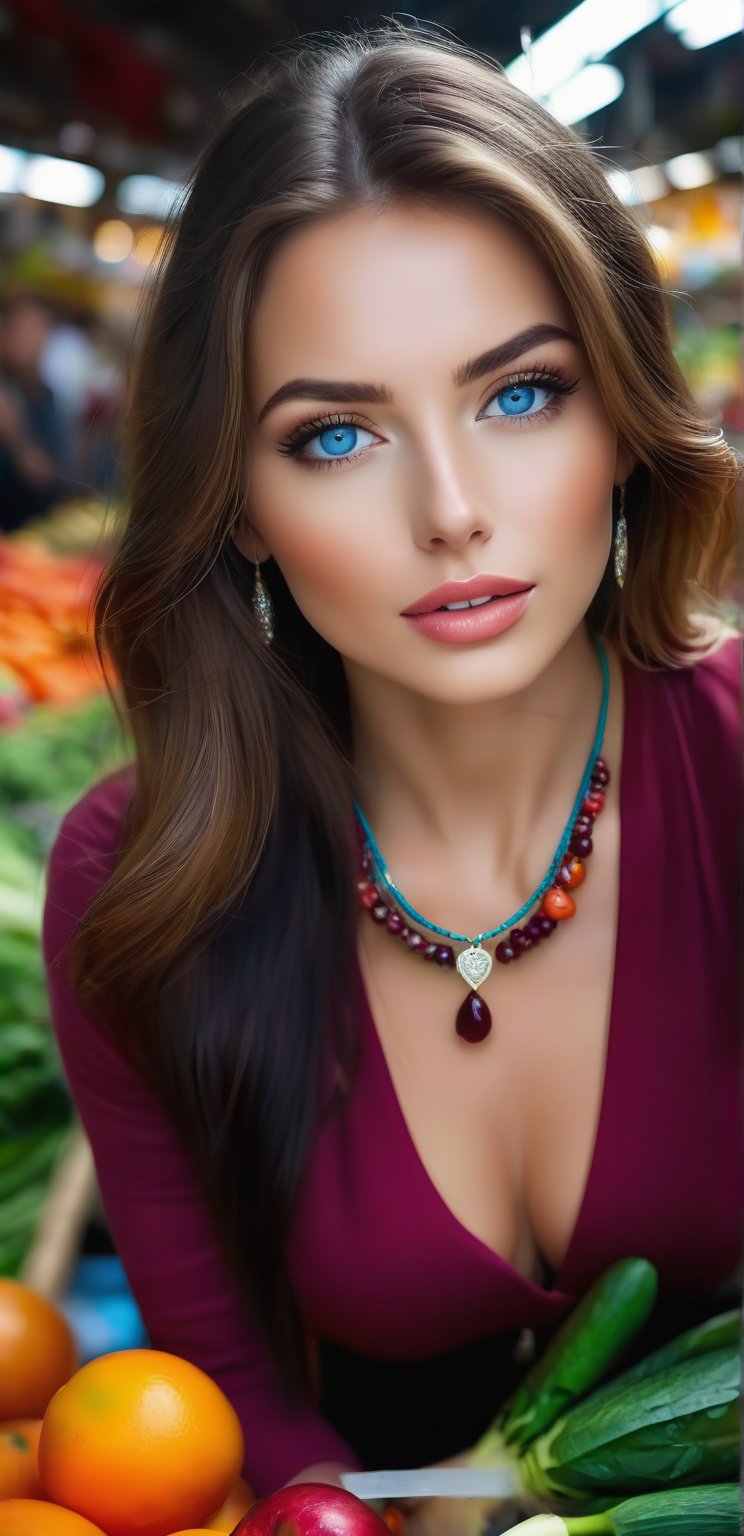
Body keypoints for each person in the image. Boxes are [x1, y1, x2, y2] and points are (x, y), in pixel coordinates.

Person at [43, 23, 742, 1515]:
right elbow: (219, 1387)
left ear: (620, 415)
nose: (452, 512)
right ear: (237, 505)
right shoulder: (141, 884)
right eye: (339, 434)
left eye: (518, 396)